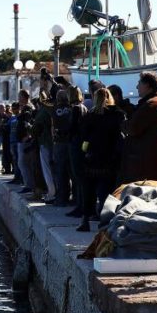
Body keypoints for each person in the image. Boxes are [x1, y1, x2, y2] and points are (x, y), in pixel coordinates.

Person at [78, 88, 125, 231]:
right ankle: (105, 221)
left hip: (91, 158)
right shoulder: (117, 114)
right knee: (107, 191)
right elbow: (120, 136)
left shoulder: (90, 115)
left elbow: (83, 137)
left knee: (88, 190)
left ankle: (85, 220)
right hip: (109, 158)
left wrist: (85, 152)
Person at [120, 71, 157, 184]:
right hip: (151, 162)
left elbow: (133, 128)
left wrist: (123, 122)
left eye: (139, 83)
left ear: (148, 85)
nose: (137, 86)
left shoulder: (152, 104)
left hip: (147, 164)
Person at [67, 86, 89, 218]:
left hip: (75, 144)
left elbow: (72, 127)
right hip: (82, 144)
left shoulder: (75, 109)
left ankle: (80, 206)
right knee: (80, 177)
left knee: (77, 176)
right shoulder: (84, 107)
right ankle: (81, 205)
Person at [32, 90, 56, 204]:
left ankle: (51, 193)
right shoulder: (54, 108)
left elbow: (36, 128)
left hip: (45, 143)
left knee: (47, 169)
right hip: (55, 143)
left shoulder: (43, 111)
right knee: (56, 169)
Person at [51, 89, 73, 207]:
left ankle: (61, 198)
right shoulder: (71, 109)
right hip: (70, 142)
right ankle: (72, 197)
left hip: (59, 142)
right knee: (71, 172)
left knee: (60, 171)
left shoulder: (55, 109)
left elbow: (53, 126)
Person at [0, 104, 13, 174]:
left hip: (9, 140)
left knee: (9, 155)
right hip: (6, 140)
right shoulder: (5, 119)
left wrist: (3, 126)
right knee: (7, 155)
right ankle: (7, 169)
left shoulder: (10, 120)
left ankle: (9, 170)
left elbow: (5, 129)